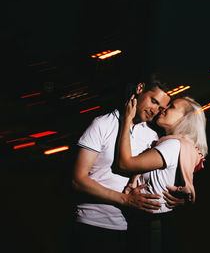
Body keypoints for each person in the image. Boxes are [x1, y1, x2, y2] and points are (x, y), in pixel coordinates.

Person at [70, 75, 188, 253]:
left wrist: (175, 198)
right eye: (153, 101)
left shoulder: (152, 137)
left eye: (161, 108)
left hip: (127, 228)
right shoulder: (103, 124)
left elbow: (154, 182)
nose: (155, 110)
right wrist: (125, 200)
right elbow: (78, 180)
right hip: (91, 224)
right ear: (140, 88)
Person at [117, 94, 208, 253]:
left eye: (171, 107)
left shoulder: (173, 145)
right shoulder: (175, 144)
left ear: (185, 119)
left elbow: (125, 164)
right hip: (155, 222)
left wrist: (126, 121)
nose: (164, 109)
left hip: (151, 224)